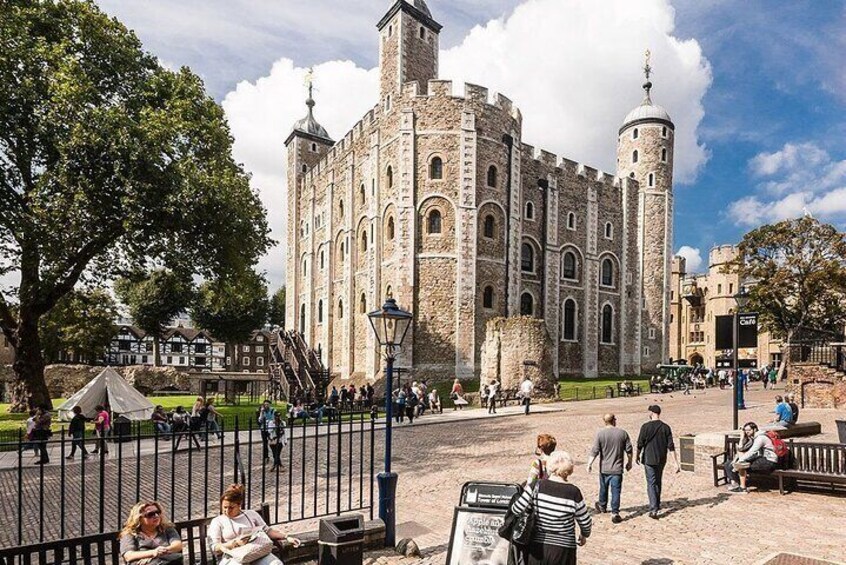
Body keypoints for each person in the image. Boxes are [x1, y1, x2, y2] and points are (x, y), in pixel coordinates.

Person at [510, 451, 592, 565]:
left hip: (537, 547)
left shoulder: (536, 486)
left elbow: (516, 509)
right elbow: (585, 522)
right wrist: (584, 535)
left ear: (550, 466)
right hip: (563, 550)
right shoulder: (574, 492)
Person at [208, 484, 300, 565]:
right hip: (231, 557)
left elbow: (267, 531)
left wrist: (287, 537)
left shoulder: (251, 514)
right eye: (224, 507)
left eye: (231, 508)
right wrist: (234, 543)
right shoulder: (217, 521)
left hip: (255, 552)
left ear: (239, 505)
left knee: (276, 564)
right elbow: (214, 547)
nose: (227, 511)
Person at [635, 405, 680, 519]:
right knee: (658, 481)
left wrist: (637, 455)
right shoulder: (665, 427)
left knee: (651, 483)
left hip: (649, 458)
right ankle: (657, 504)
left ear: (652, 413)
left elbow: (640, 443)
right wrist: (675, 462)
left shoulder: (645, 427)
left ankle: (654, 509)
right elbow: (671, 446)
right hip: (661, 458)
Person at [587, 414, 632, 524]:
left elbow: (595, 451)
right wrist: (629, 462)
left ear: (605, 421)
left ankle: (602, 505)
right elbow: (629, 450)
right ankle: (615, 512)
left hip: (604, 468)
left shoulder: (600, 434)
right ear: (614, 421)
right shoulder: (622, 433)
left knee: (603, 488)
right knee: (616, 490)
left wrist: (589, 463)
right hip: (617, 468)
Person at [725, 422, 778, 493]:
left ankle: (743, 488)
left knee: (742, 465)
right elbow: (741, 449)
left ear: (755, 429)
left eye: (749, 430)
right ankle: (736, 484)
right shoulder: (752, 438)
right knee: (729, 464)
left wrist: (740, 461)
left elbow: (752, 452)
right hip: (761, 459)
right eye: (745, 430)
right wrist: (742, 437)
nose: (747, 432)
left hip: (769, 461)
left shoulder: (760, 438)